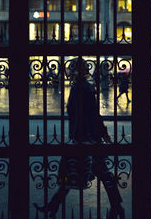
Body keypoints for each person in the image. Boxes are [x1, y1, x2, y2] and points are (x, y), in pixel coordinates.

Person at [34, 57, 125, 219]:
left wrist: (99, 133)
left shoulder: (80, 89)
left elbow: (91, 114)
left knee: (75, 172)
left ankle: (117, 207)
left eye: (71, 68)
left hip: (84, 138)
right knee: (88, 173)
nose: (68, 71)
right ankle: (117, 207)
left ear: (76, 71)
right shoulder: (82, 87)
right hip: (86, 137)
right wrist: (101, 133)